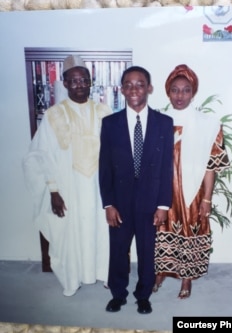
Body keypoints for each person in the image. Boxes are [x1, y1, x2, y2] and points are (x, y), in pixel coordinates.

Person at [23, 55, 112, 296]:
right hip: (68, 186)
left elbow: (116, 151)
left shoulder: (104, 111)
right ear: (64, 83)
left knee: (101, 230)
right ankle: (73, 280)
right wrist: (53, 191)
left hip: (98, 186)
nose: (79, 85)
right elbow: (41, 155)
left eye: (84, 80)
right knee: (69, 233)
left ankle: (104, 273)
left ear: (90, 82)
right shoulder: (54, 114)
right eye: (73, 81)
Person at [98, 66, 174, 314]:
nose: (134, 89)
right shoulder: (110, 123)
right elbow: (105, 166)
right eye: (128, 84)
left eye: (140, 84)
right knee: (118, 250)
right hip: (119, 202)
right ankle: (118, 294)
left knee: (147, 251)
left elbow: (166, 168)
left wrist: (163, 205)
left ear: (149, 88)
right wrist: (108, 203)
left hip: (150, 202)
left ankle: (143, 295)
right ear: (122, 89)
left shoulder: (164, 123)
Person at [154, 64, 230, 298]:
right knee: (160, 230)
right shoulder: (157, 121)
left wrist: (207, 198)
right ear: (168, 92)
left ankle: (186, 279)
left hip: (192, 191)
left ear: (193, 92)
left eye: (186, 90)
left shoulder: (208, 125)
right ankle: (160, 272)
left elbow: (211, 166)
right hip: (162, 191)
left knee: (190, 231)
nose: (180, 96)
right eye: (175, 90)